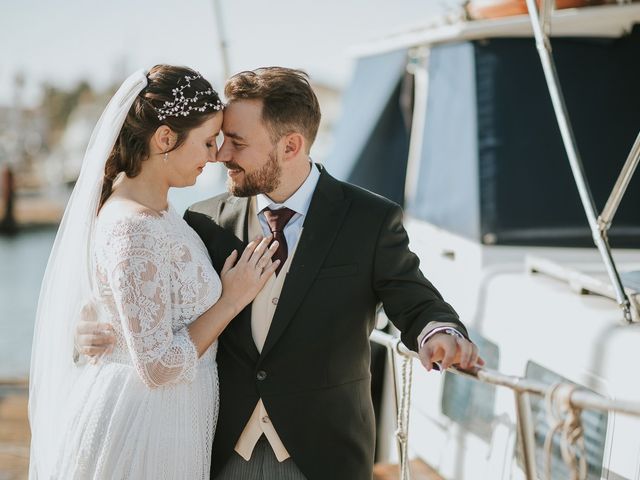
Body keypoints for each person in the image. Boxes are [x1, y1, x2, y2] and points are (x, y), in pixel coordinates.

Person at [78, 67, 483, 480]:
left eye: (236, 142)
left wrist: (440, 332)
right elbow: (149, 305)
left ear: (291, 145)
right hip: (217, 450)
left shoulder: (369, 220)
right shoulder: (202, 221)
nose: (220, 155)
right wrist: (95, 329)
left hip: (323, 454)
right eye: (218, 139)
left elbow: (414, 299)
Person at [28, 65, 281, 479]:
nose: (215, 155)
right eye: (206, 141)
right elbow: (159, 366)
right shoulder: (134, 228)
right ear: (165, 138)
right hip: (144, 426)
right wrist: (232, 300)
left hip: (168, 420)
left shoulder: (160, 214)